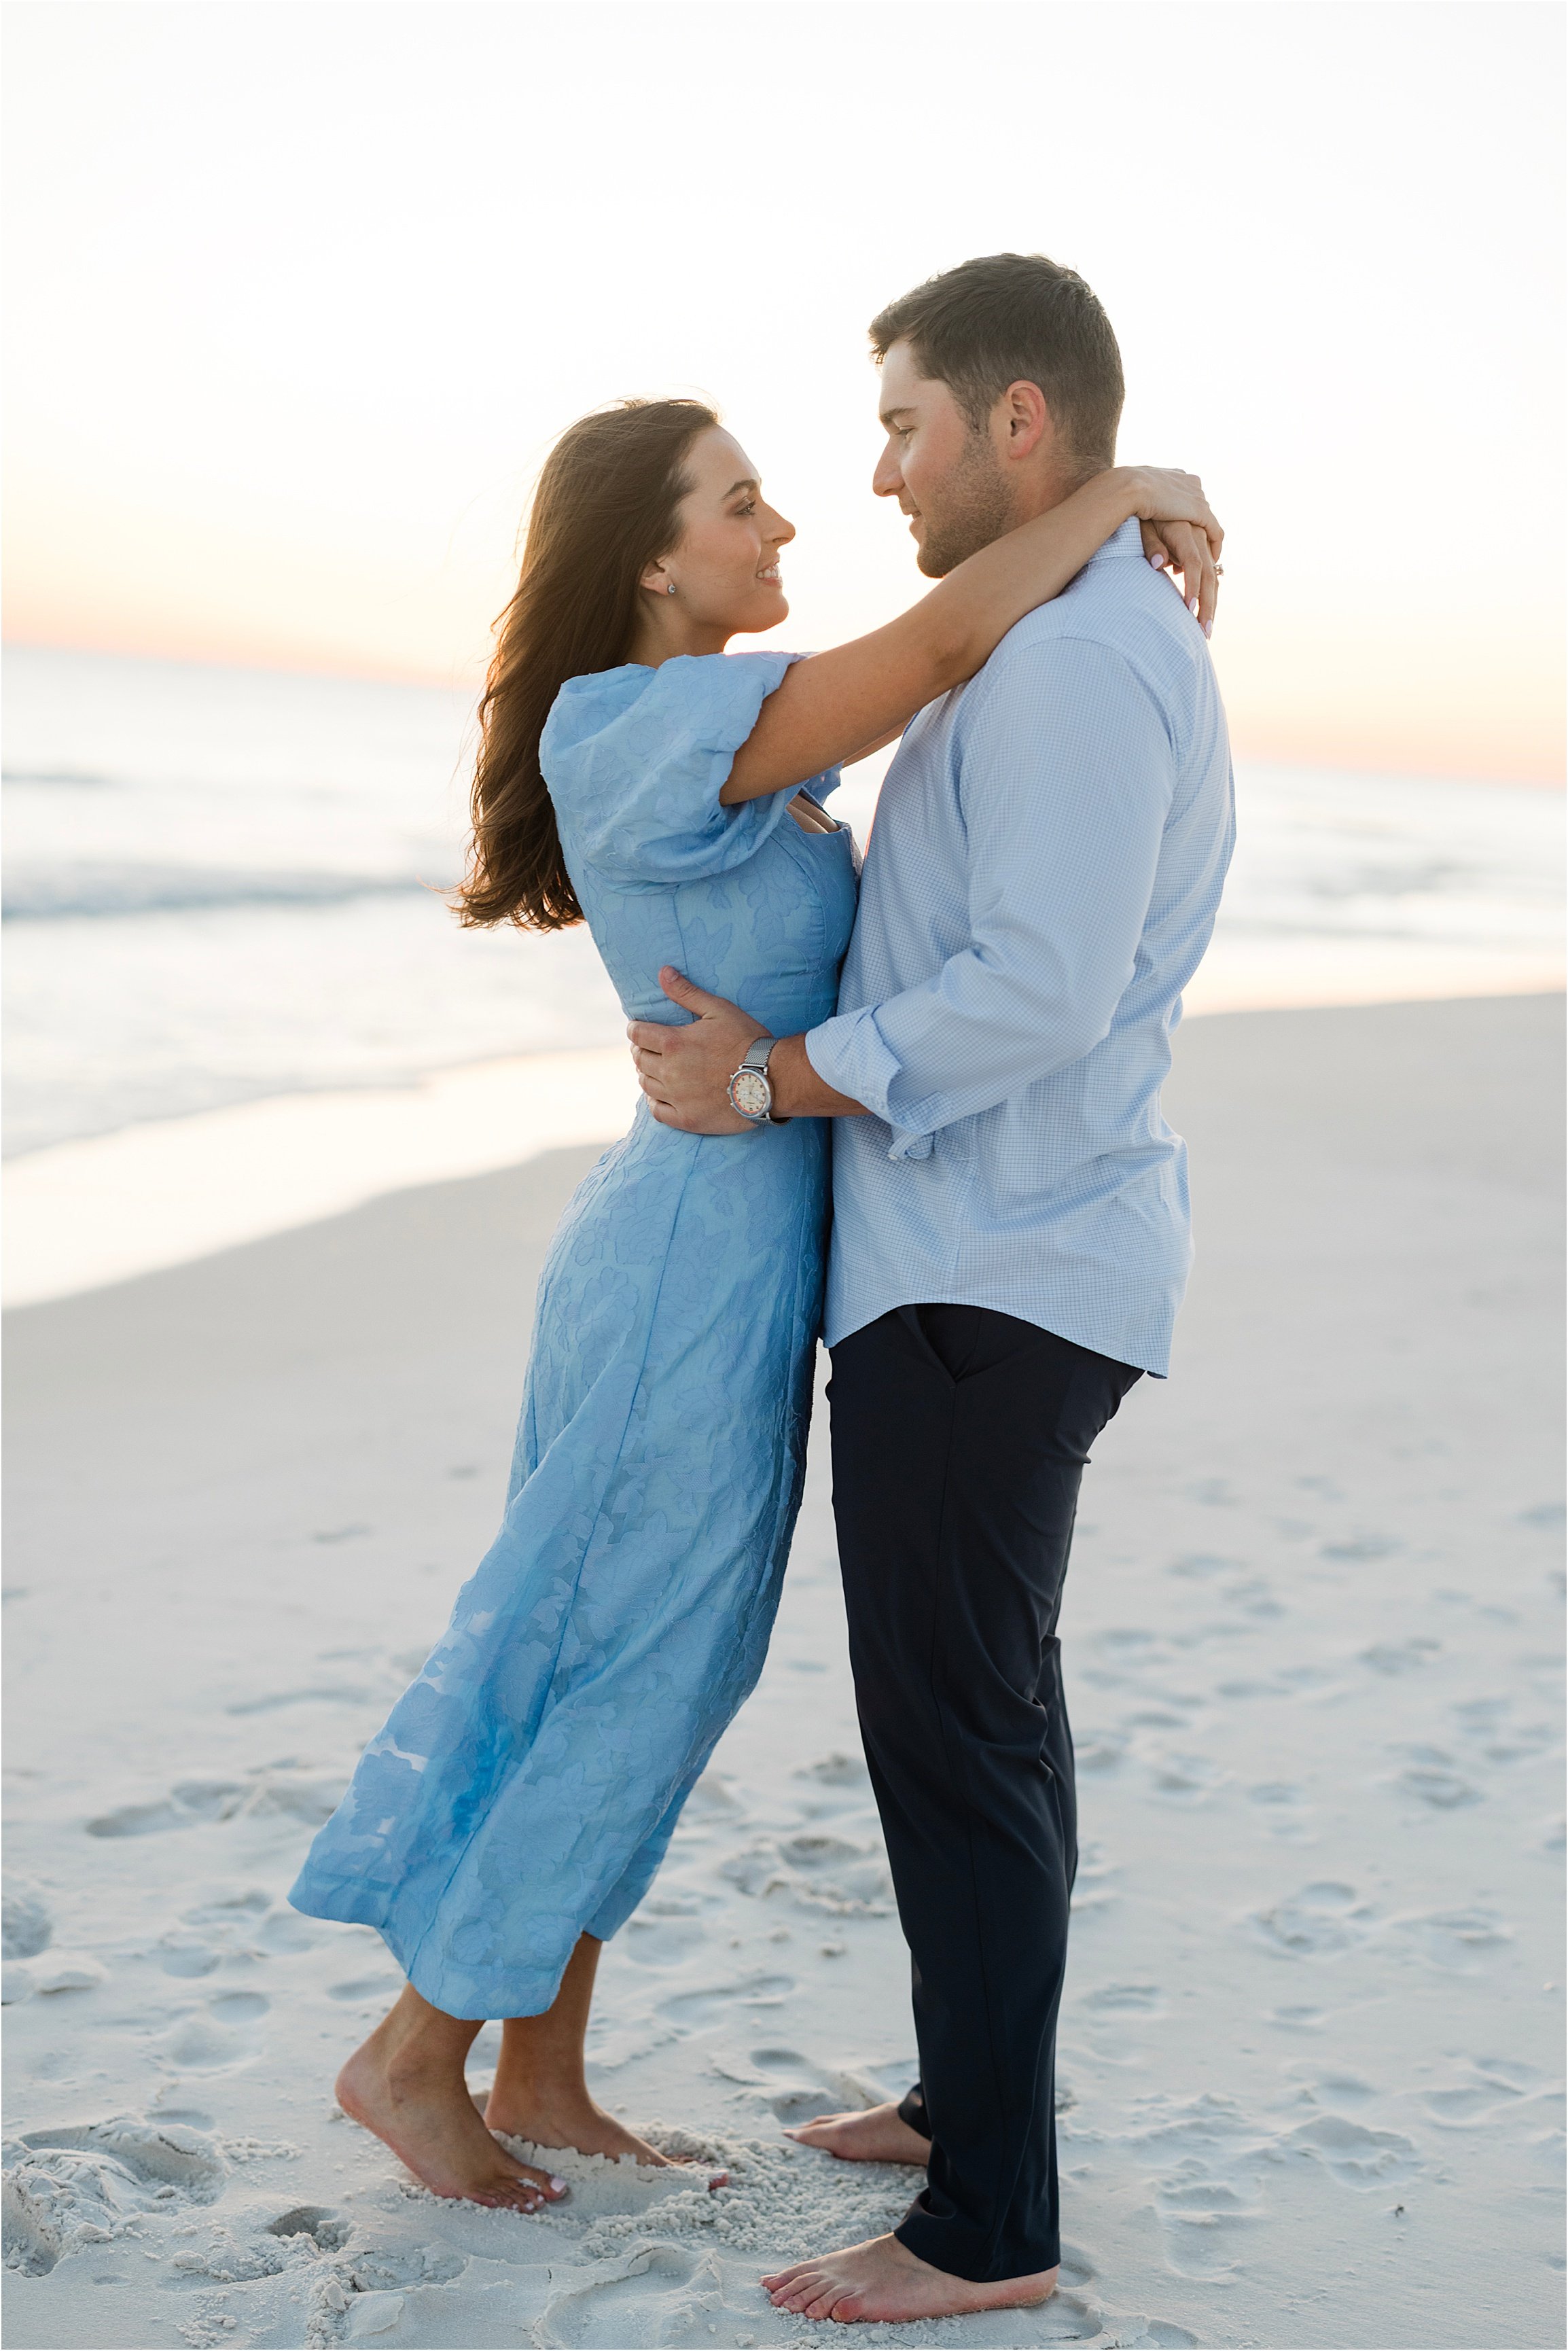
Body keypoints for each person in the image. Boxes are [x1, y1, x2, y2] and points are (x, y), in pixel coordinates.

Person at [286, 380, 1221, 2221]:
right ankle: (414, 2052)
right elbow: (950, 631)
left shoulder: (728, 734)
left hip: (734, 1249)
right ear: (647, 555)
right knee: (616, 1651)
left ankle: (541, 2065)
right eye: (742, 502)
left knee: (657, 1649)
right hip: (683, 1267)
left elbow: (975, 686)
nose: (786, 526)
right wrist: (1128, 488)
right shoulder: (633, 722)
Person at [629, 252, 1236, 2325]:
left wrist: (779, 1077)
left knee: (956, 1736)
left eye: (899, 420)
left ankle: (987, 2221)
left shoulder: (1073, 665)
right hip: (993, 1256)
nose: (873, 468)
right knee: (988, 1722)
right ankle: (966, 2097)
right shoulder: (1066, 631)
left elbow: (1039, 992)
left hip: (991, 1270)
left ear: (1014, 422)